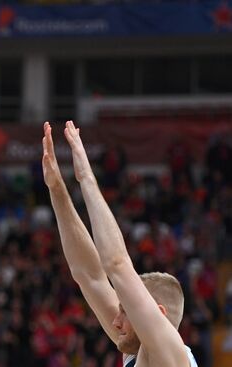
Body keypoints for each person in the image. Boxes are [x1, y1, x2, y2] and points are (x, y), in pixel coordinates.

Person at [41, 120, 198, 367]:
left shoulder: (173, 359)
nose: (115, 321)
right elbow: (88, 275)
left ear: (157, 314)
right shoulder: (137, 352)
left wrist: (86, 177)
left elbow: (116, 263)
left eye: (125, 311)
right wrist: (57, 187)